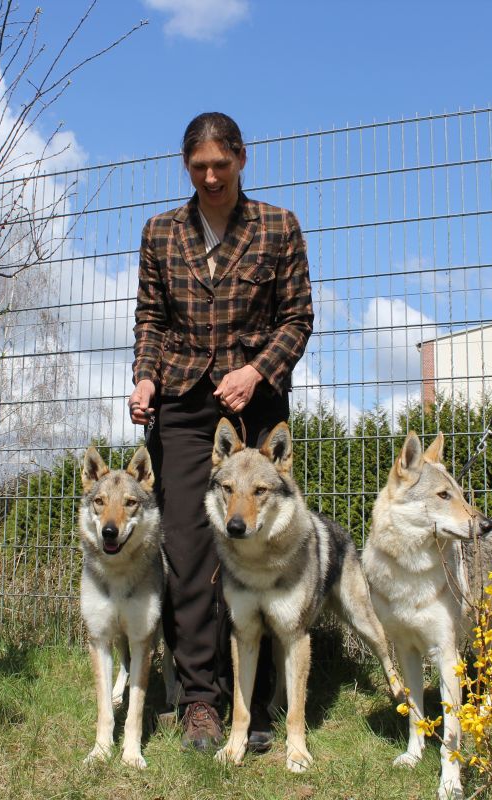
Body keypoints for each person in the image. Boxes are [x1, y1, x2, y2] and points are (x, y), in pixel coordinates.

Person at [129, 112, 314, 752]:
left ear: (241, 158)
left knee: (258, 547)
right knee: (186, 548)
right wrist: (145, 378)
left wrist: (258, 371)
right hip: (180, 403)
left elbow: (297, 319)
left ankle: (256, 706)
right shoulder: (159, 232)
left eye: (221, 165)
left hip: (254, 403)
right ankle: (200, 701)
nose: (210, 177)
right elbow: (150, 319)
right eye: (198, 166)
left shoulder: (278, 227)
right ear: (186, 165)